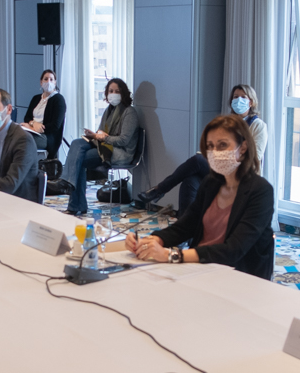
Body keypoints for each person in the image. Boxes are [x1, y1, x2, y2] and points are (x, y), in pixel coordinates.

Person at [122, 115, 276, 279]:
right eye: (211, 147)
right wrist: (151, 241)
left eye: (223, 145)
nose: (216, 153)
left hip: (239, 277)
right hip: (200, 268)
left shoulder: (261, 191)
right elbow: (186, 226)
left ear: (243, 147)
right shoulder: (211, 183)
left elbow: (234, 250)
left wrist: (171, 255)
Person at [131, 85, 267, 218]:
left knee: (197, 161)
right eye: (236, 97)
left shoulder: (258, 126)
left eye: (243, 97)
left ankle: (159, 190)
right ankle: (186, 236)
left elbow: (254, 156)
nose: (239, 100)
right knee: (190, 182)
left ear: (251, 102)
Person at [58, 77, 139, 217]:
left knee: (79, 160)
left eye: (117, 91)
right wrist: (94, 136)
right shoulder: (109, 110)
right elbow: (101, 132)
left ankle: (73, 198)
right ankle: (69, 186)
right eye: (110, 91)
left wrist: (103, 137)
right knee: (77, 143)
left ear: (123, 93)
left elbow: (124, 140)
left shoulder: (129, 112)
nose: (113, 94)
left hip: (119, 152)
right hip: (105, 147)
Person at [21, 69, 66, 160]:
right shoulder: (36, 98)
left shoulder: (58, 100)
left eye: (51, 79)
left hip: (46, 136)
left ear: (55, 82)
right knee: (13, 135)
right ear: (41, 82)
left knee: (21, 140)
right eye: (45, 79)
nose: (48, 82)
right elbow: (27, 117)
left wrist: (36, 128)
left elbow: (55, 125)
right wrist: (33, 125)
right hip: (31, 130)